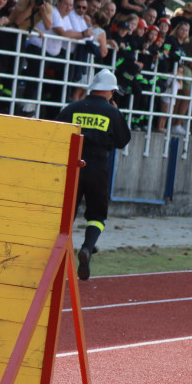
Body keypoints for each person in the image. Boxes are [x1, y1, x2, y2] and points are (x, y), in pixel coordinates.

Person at [56, 68, 130, 281]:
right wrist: (116, 113)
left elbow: (56, 130)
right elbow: (123, 140)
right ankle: (87, 248)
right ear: (109, 92)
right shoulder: (112, 112)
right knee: (97, 215)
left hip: (73, 166)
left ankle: (58, 258)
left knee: (66, 214)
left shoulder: (73, 108)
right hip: (99, 168)